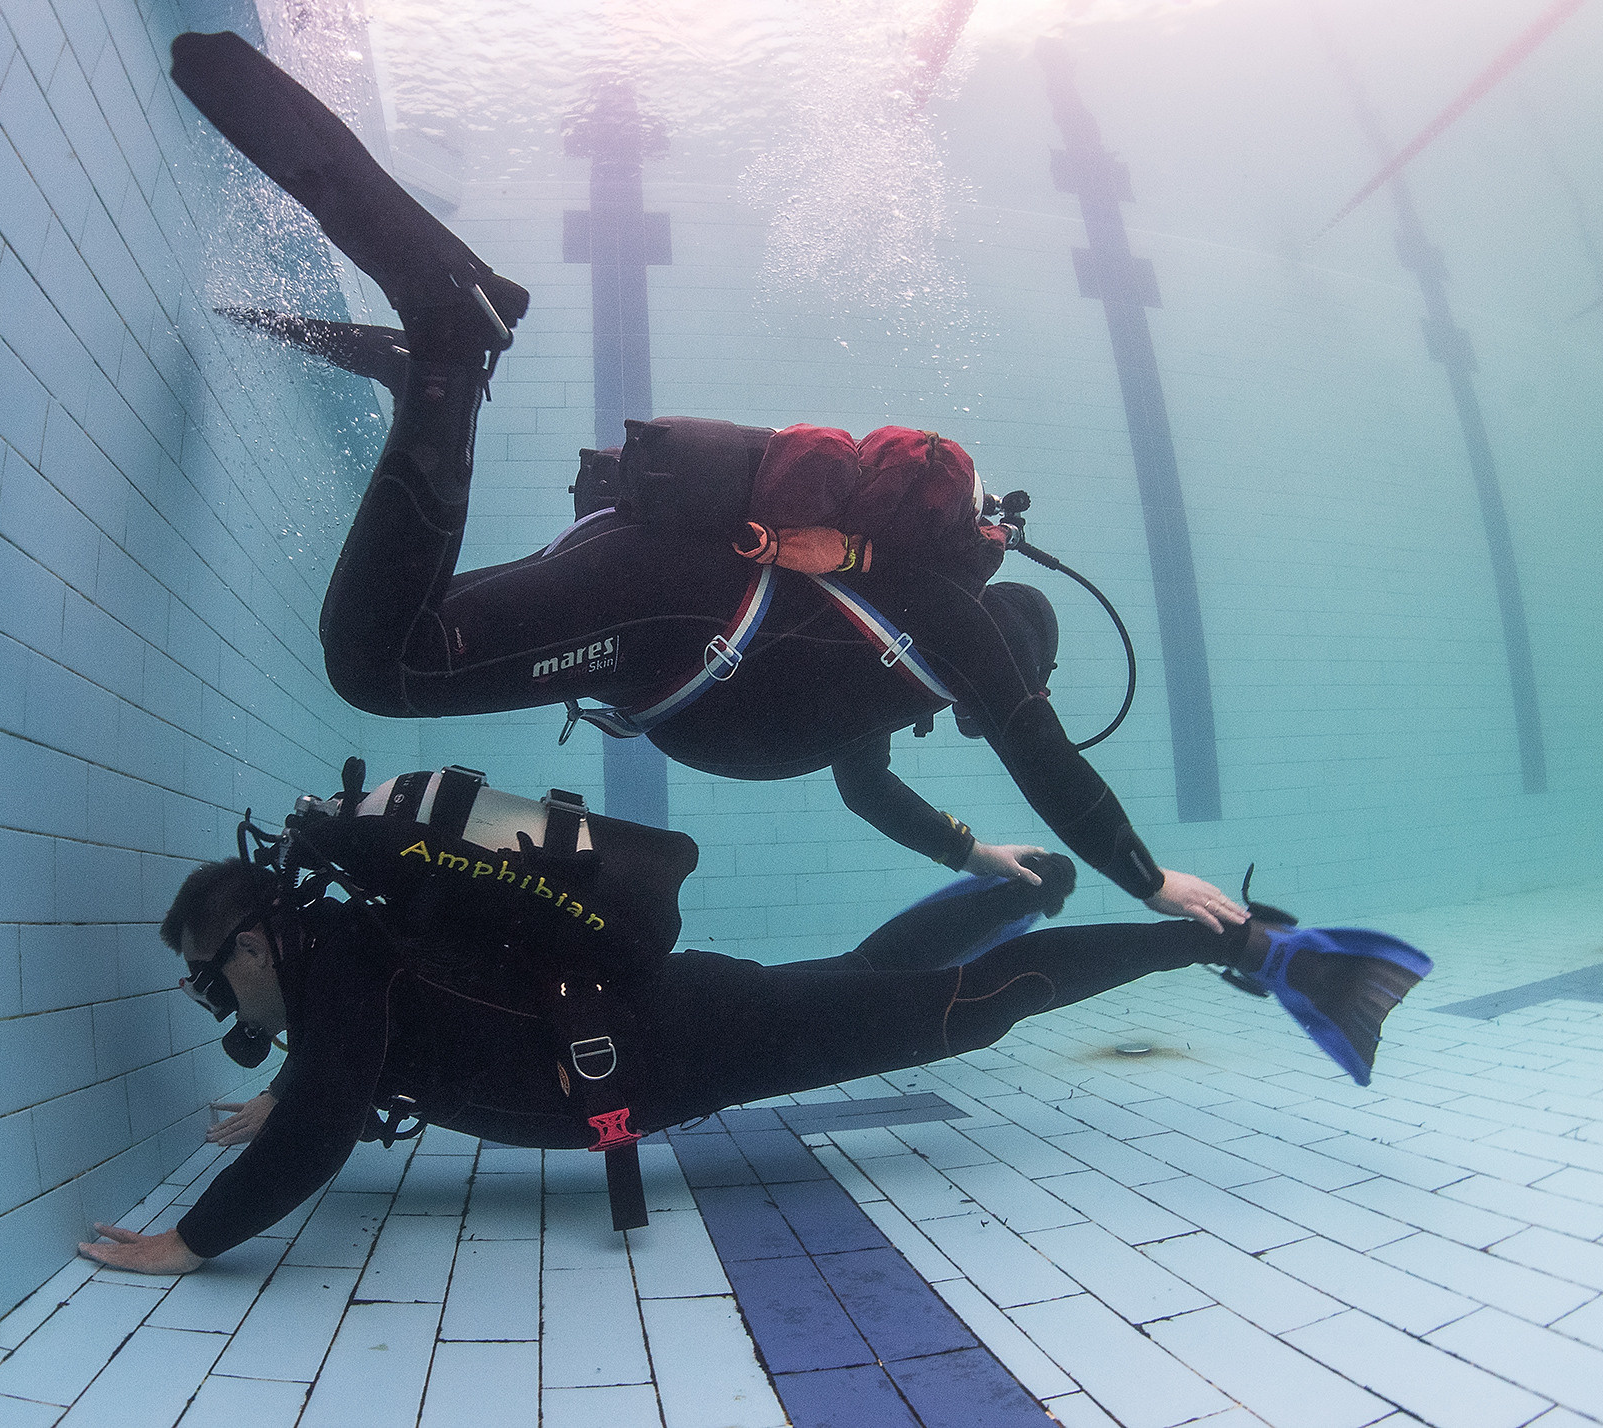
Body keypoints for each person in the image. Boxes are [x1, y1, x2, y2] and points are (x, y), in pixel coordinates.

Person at [170, 31, 1246, 932]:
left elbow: (869, 789)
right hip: (655, 605)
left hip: (649, 609)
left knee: (398, 651)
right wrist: (1145, 881)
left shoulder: (880, 662)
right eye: (1010, 684)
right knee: (384, 668)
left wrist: (974, 859)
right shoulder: (936, 628)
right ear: (1004, 655)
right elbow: (1040, 752)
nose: (993, 704)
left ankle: (427, 379)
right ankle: (448, 348)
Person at [76, 813, 1430, 1274]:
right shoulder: (342, 975)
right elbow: (337, 1077)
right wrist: (289, 1096)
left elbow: (322, 1116)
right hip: (674, 1032)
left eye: (211, 981)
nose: (218, 1008)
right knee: (857, 990)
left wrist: (193, 1239)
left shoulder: (346, 962)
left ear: (254, 943)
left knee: (955, 1013)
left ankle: (1235, 944)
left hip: (684, 1042)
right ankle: (1020, 891)